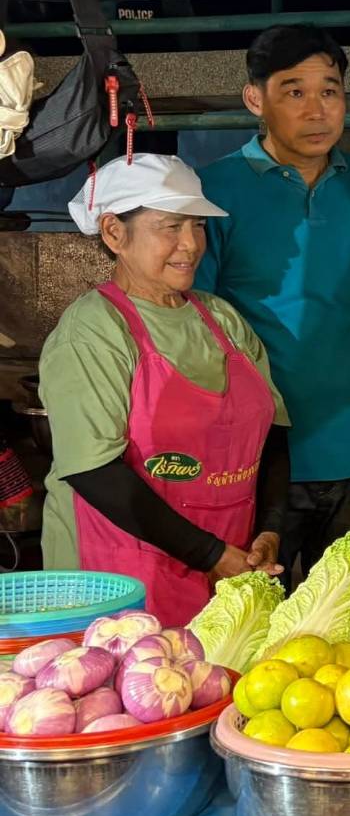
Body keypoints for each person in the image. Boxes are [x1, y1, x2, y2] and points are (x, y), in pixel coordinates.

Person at [195, 25, 350, 583]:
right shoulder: (212, 192)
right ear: (255, 99)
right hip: (255, 460)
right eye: (294, 91)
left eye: (329, 91)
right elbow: (201, 323)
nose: (317, 111)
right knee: (252, 616)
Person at [40, 154, 288, 625]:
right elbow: (94, 472)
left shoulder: (222, 319)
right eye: (171, 227)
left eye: (198, 226)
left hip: (230, 563)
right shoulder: (93, 331)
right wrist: (210, 553)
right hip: (123, 577)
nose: (191, 244)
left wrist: (271, 530)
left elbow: (272, 434)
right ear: (114, 233)